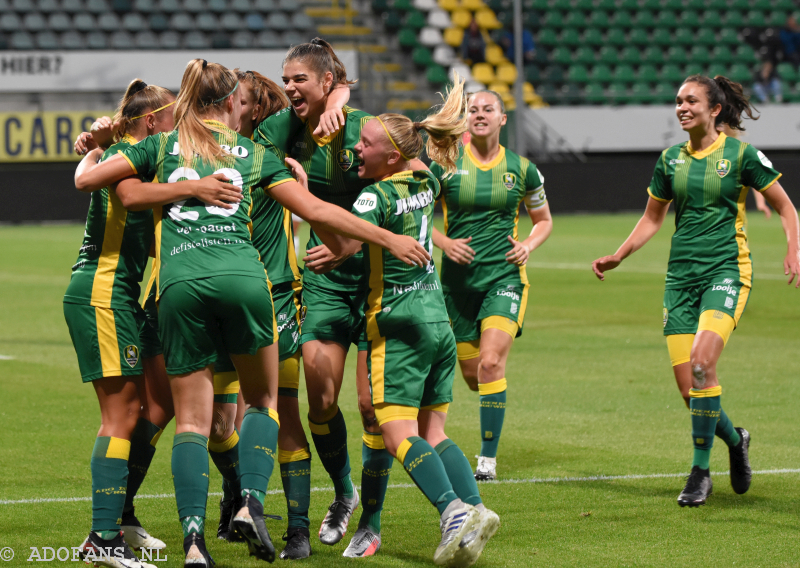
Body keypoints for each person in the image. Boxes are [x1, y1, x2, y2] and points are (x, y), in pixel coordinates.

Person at [74, 58, 431, 567]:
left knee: (192, 424)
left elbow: (114, 190)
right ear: (228, 105)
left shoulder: (160, 145)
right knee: (264, 403)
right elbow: (318, 212)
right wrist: (387, 237)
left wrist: (97, 147)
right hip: (245, 280)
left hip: (176, 285)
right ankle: (249, 502)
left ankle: (194, 541)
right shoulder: (254, 153)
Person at [592, 75, 800, 507]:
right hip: (680, 281)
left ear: (714, 109)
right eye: (678, 101)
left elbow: (785, 206)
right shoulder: (670, 160)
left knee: (704, 365)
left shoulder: (740, 155)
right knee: (691, 389)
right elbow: (652, 218)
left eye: (691, 100)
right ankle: (735, 438)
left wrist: (794, 249)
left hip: (726, 271)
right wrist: (619, 255)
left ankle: (700, 473)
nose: (681, 107)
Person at [349, 75, 500, 567]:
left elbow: (347, 243)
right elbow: (419, 156)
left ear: (391, 156)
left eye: (366, 142)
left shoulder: (373, 198)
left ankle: (452, 510)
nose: (357, 147)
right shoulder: (427, 180)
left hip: (397, 321)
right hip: (438, 320)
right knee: (434, 432)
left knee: (394, 430)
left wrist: (317, 217)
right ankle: (477, 509)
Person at [255, 38, 395, 557]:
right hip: (324, 279)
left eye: (301, 80)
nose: (290, 87)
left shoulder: (364, 129)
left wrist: (353, 242)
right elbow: (241, 142)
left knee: (371, 406)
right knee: (322, 397)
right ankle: (344, 494)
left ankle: (372, 521)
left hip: (378, 279)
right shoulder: (283, 130)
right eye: (286, 79)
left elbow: (413, 179)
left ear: (327, 82)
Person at [64, 78, 176, 568]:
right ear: (151, 122)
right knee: (122, 416)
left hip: (118, 296)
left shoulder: (127, 157)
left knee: (156, 403)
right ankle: (102, 538)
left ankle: (120, 517)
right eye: (171, 119)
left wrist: (93, 144)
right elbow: (87, 179)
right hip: (102, 295)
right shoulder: (128, 161)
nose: (176, 129)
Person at [430, 90, 552, 481]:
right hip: (456, 286)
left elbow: (544, 220)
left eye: (488, 109)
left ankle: (487, 460)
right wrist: (444, 242)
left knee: (491, 362)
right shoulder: (444, 164)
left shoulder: (522, 169)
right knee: (473, 376)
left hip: (504, 278)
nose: (479, 114)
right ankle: (486, 422)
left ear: (503, 118)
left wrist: (528, 245)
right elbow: (413, 212)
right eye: (473, 109)